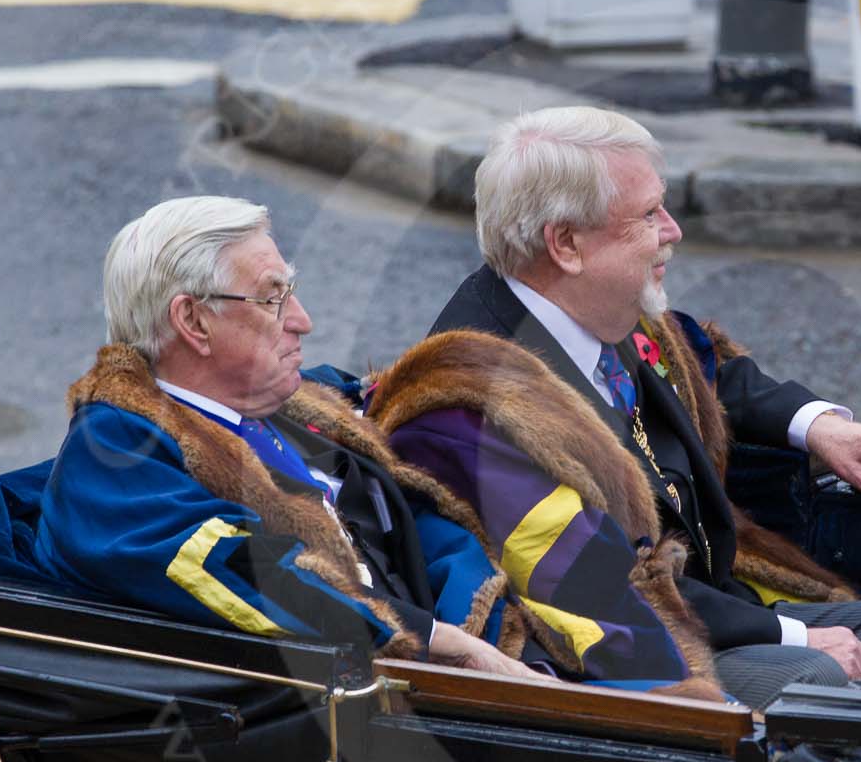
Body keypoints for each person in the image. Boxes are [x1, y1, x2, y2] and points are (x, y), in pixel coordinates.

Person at [420, 105, 861, 704]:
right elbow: (594, 587)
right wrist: (796, 633)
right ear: (566, 243)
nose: (672, 230)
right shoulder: (473, 404)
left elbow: (705, 371)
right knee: (818, 686)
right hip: (633, 663)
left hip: (712, 608)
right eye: (648, 215)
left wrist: (819, 427)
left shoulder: (592, 305)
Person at [33, 196, 550, 681]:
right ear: (193, 321)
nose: (302, 321)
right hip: (360, 714)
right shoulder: (116, 456)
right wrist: (443, 641)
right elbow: (247, 576)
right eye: (272, 297)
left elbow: (412, 520)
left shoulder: (288, 405)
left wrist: (492, 629)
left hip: (454, 660)